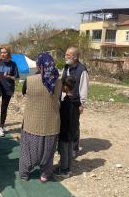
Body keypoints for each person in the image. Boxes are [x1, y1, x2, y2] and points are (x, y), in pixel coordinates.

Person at [19, 53, 62, 182]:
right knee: (48, 153)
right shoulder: (58, 82)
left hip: (32, 122)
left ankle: (24, 174)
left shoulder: (30, 80)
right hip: (51, 123)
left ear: (38, 65)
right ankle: (44, 175)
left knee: (27, 151)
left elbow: (23, 92)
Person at [62, 46, 89, 157]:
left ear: (75, 57)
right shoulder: (66, 67)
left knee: (74, 124)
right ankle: (64, 146)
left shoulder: (82, 70)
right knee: (64, 123)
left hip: (75, 102)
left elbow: (84, 87)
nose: (66, 57)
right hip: (65, 100)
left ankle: (74, 148)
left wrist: (82, 104)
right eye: (66, 54)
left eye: (68, 55)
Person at [54, 76, 81, 178]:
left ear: (65, 86)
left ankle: (64, 170)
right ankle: (68, 167)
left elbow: (63, 117)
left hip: (65, 130)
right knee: (69, 148)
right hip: (73, 129)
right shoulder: (76, 100)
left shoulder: (66, 103)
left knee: (63, 149)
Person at [0, 46, 19, 137]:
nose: (2, 54)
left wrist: (9, 77)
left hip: (8, 89)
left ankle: (1, 127)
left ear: (9, 53)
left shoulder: (13, 64)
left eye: (5, 52)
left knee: (4, 108)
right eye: (1, 52)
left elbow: (16, 77)